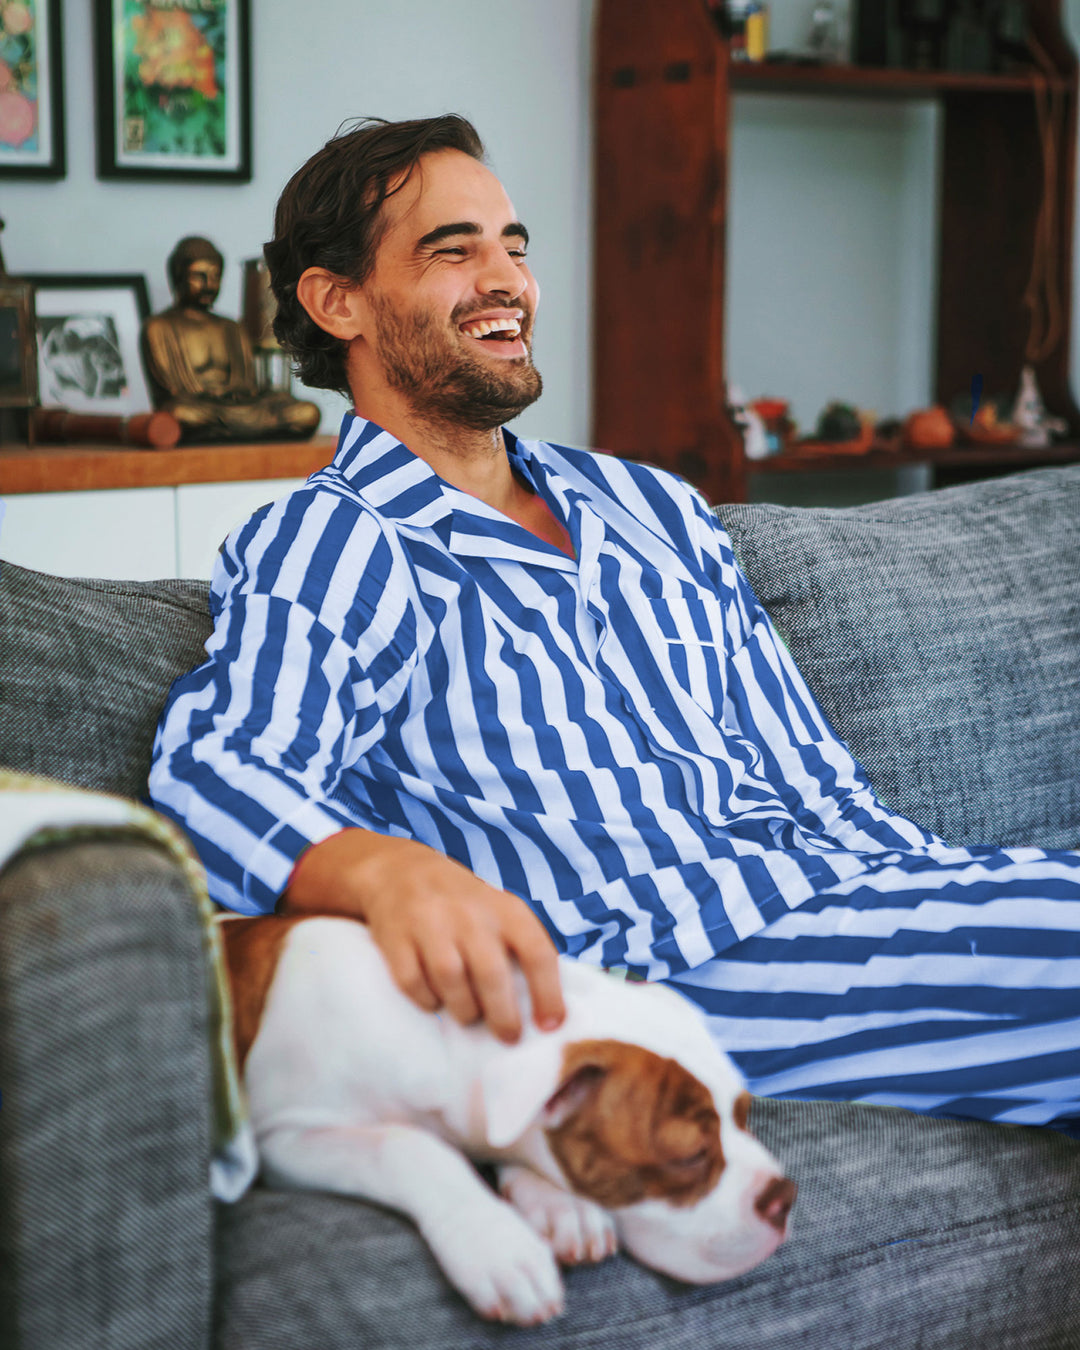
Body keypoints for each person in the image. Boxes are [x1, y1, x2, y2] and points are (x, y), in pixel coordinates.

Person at [149, 115, 1080, 1135]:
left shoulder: (655, 508)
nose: (505, 278)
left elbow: (818, 780)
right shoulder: (334, 539)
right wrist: (382, 871)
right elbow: (217, 771)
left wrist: (946, 895)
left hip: (838, 902)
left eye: (514, 246)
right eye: (453, 250)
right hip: (657, 975)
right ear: (338, 302)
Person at [141, 235, 321, 442]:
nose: (209, 284)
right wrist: (212, 396)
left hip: (237, 408)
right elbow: (170, 391)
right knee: (179, 413)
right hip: (201, 408)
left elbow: (248, 385)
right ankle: (249, 432)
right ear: (178, 276)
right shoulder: (159, 327)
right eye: (199, 276)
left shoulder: (231, 327)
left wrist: (242, 396)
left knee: (307, 412)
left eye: (215, 277)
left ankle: (223, 432)